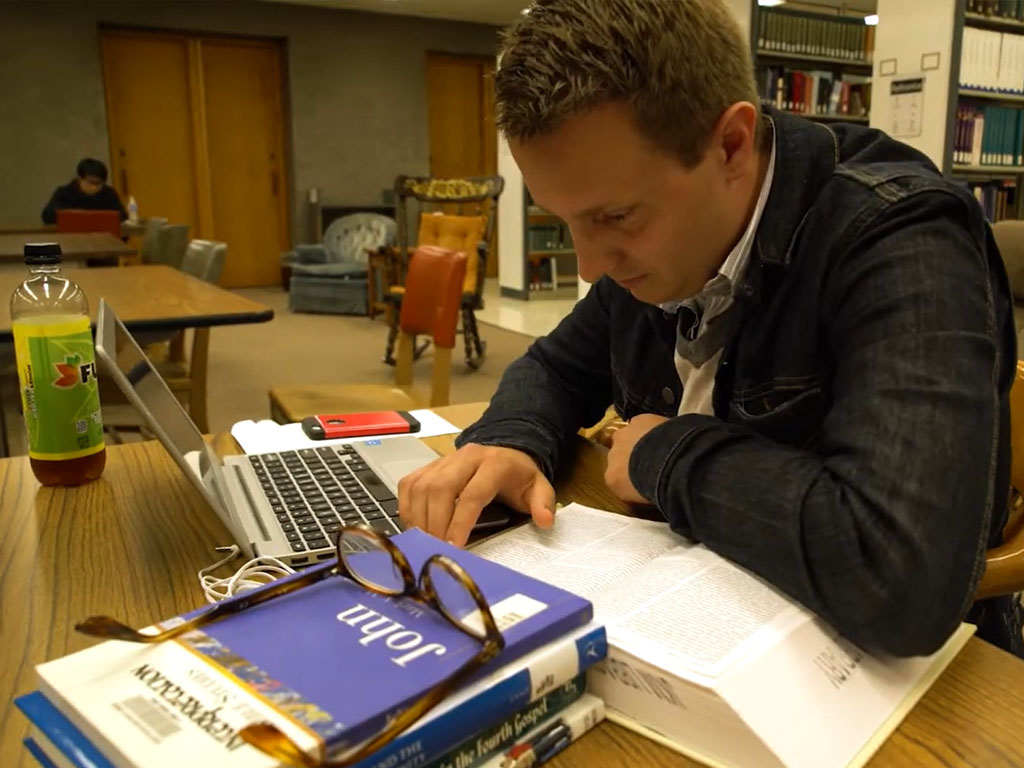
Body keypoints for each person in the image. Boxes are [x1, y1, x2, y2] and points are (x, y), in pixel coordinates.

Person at [397, 0, 1019, 658]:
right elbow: (554, 368)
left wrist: (664, 456)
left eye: (616, 217)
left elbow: (902, 584)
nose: (590, 265)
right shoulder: (659, 243)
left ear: (730, 144)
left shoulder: (903, 237)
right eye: (565, 221)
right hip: (710, 622)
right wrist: (509, 440)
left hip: (909, 699)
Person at [41, 158, 127, 224]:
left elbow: (123, 216)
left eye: (99, 183)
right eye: (91, 183)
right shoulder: (65, 192)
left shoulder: (109, 193)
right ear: (79, 179)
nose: (95, 187)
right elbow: (47, 216)